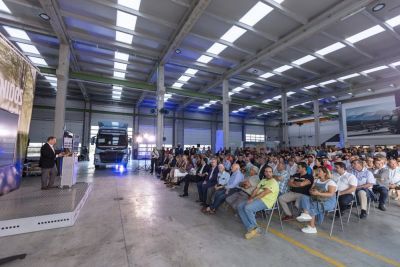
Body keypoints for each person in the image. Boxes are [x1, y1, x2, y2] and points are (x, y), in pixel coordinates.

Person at [237, 166, 279, 240]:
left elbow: (264, 193)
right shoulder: (263, 180)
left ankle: (256, 228)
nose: (268, 173)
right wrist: (250, 198)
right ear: (264, 173)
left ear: (272, 173)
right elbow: (256, 190)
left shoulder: (273, 182)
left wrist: (252, 199)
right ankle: (251, 228)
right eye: (266, 171)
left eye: (270, 172)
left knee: (248, 208)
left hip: (266, 201)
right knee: (240, 206)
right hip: (257, 199)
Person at [296, 166, 337, 234]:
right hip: (316, 198)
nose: (317, 172)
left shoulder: (330, 182)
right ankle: (306, 214)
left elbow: (331, 194)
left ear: (325, 173)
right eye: (317, 171)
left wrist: (318, 193)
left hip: (327, 202)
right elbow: (310, 190)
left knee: (312, 206)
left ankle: (312, 227)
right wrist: (311, 191)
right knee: (304, 197)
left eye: (319, 171)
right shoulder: (316, 180)